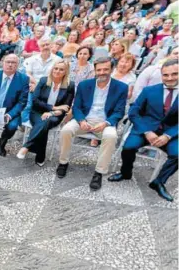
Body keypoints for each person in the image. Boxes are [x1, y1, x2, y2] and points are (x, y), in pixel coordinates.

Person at [108, 59, 178, 202]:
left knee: (178, 155)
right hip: (145, 129)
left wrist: (168, 135)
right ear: (161, 75)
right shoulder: (149, 91)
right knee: (128, 147)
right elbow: (133, 112)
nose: (170, 78)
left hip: (171, 133)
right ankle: (125, 173)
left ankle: (158, 182)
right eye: (166, 75)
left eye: (174, 74)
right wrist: (146, 131)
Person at [56, 57, 129, 190]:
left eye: (106, 69)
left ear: (111, 69)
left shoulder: (121, 87)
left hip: (104, 122)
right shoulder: (85, 85)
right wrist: (81, 120)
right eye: (99, 70)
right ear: (95, 70)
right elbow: (77, 106)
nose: (102, 72)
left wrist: (106, 123)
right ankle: (63, 162)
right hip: (84, 119)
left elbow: (119, 111)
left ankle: (99, 172)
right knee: (66, 130)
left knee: (111, 137)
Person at [18, 59, 75, 165]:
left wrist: (51, 113)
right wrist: (53, 108)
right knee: (43, 123)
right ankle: (40, 156)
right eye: (56, 68)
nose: (57, 71)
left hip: (55, 116)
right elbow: (35, 101)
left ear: (66, 72)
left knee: (46, 121)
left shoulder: (70, 85)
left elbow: (66, 107)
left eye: (61, 69)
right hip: (37, 112)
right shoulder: (44, 80)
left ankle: (26, 146)